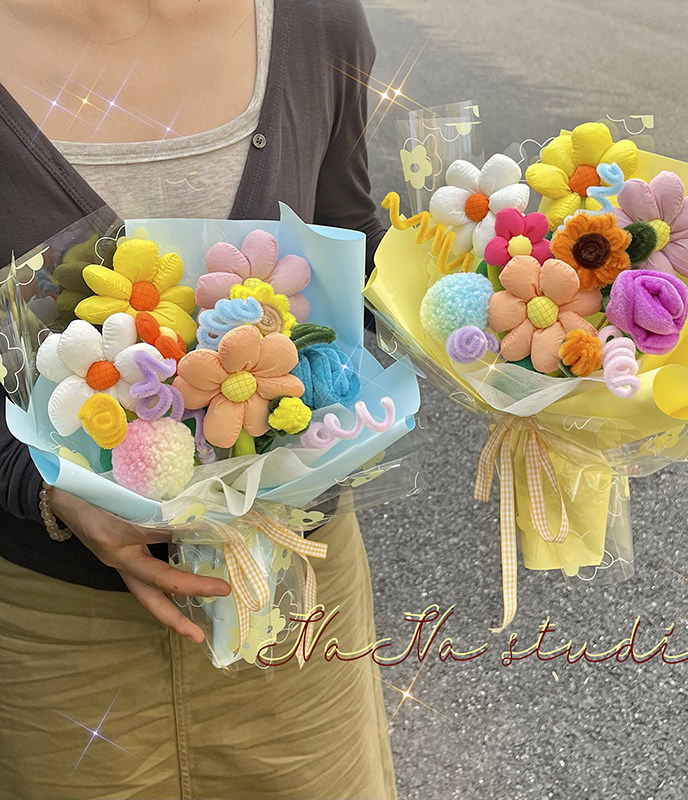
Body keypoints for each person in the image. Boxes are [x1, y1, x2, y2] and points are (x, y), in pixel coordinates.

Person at [0, 1, 395, 797]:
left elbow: (355, 266)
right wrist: (36, 481)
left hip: (290, 602)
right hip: (48, 629)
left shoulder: (315, 22)